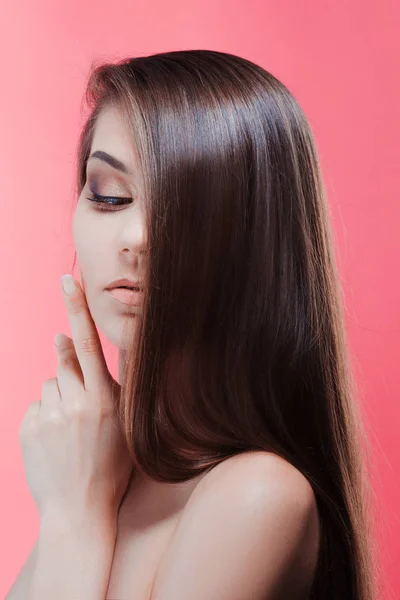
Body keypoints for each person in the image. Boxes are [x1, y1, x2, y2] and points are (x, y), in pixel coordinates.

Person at [7, 49, 378, 600]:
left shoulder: (257, 495)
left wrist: (72, 523)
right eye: (110, 196)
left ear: (255, 242)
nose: (135, 237)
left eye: (181, 210)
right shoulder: (98, 470)